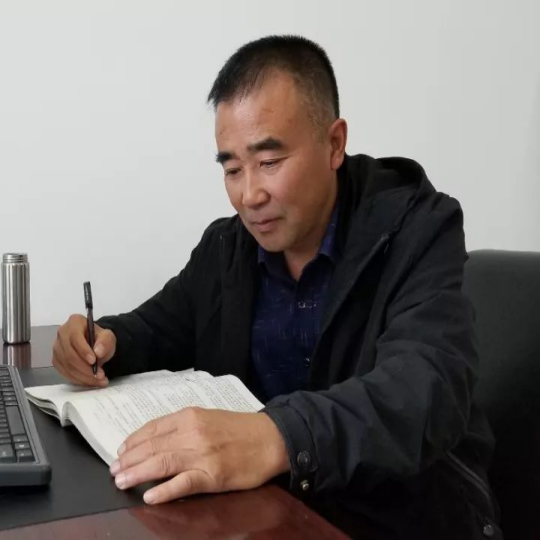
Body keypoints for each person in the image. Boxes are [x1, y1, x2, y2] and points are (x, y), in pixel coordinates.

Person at [51, 35, 500, 539]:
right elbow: (159, 327)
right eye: (232, 169)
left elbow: (424, 391)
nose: (249, 195)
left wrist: (276, 436)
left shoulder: (418, 229)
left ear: (334, 144)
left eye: (268, 163)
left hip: (403, 518)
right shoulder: (229, 247)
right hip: (270, 514)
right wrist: (103, 341)